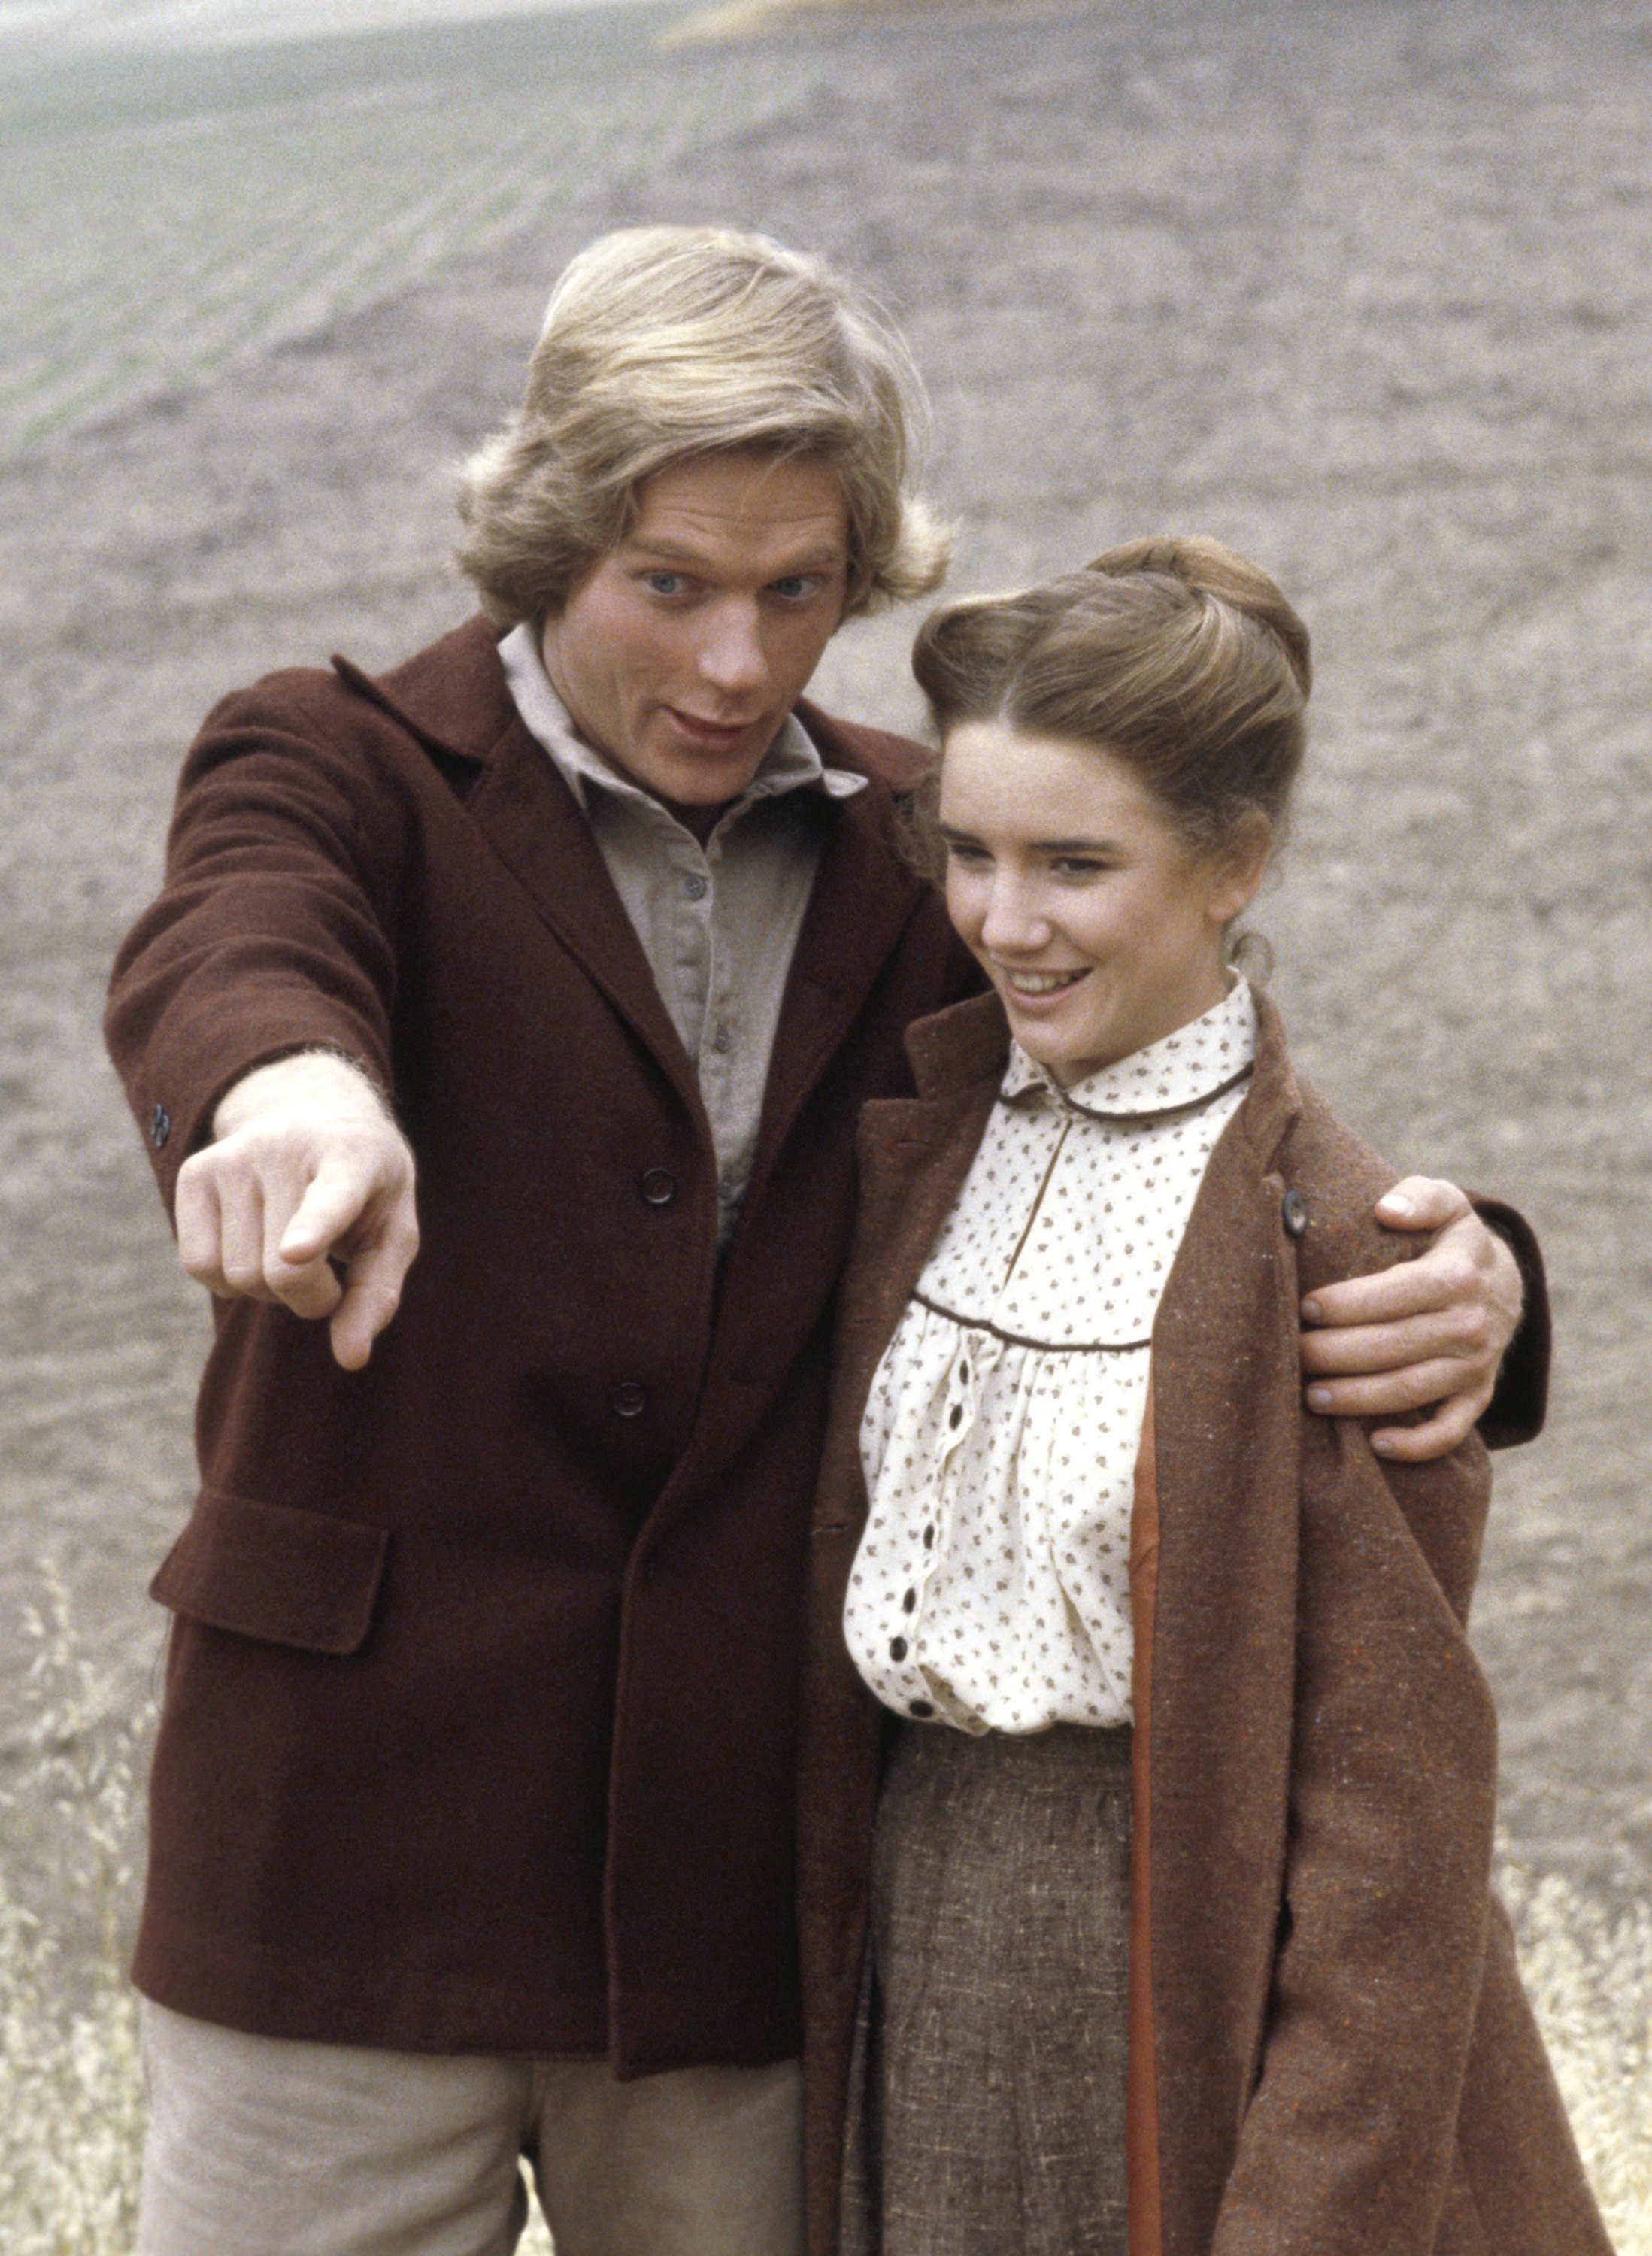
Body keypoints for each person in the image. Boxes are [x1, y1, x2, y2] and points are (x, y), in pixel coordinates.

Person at [106, 230, 1541, 2256]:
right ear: (543, 544)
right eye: (667, 586)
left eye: (797, 593)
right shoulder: (332, 761)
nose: (734, 665)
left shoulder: (930, 850)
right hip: (340, 1878)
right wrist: (291, 1095)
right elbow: (236, 938)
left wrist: (1466, 1261)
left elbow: (1184, 1095)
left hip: (738, 1918)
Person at [796, 539, 1606, 2256]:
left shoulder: (1341, 1243)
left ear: (1233, 862)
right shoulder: (925, 1138)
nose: (1005, 922)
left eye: (1076, 865)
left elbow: (1396, 1846)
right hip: (913, 1946)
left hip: (1180, 1962)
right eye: (971, 854)